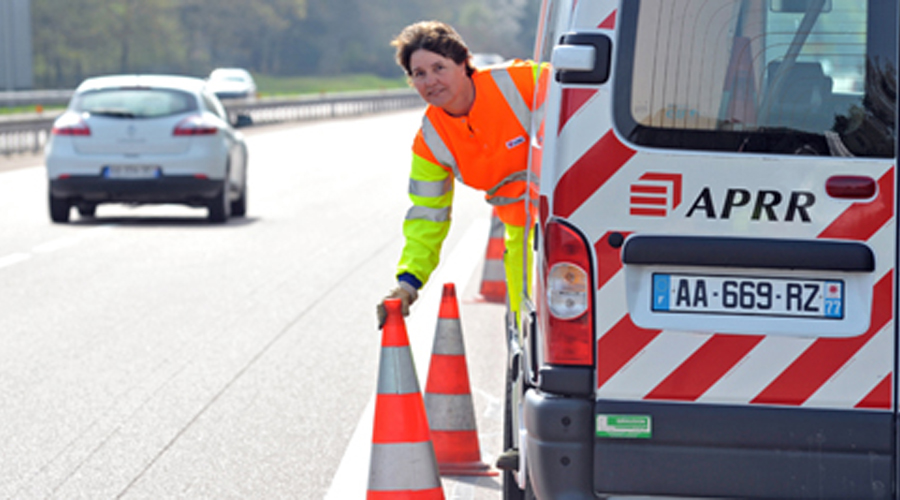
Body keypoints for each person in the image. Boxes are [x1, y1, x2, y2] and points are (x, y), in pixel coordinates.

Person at [376, 20, 539, 332]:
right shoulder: (431, 141)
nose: (430, 81)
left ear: (465, 63)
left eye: (439, 67)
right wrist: (408, 283)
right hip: (521, 238)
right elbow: (427, 215)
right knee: (528, 334)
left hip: (578, 217)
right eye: (419, 74)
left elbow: (587, 96)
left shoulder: (519, 82)